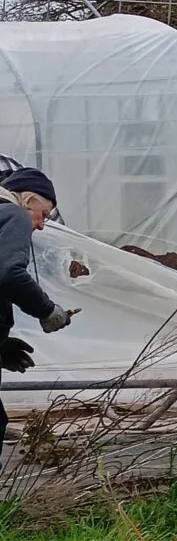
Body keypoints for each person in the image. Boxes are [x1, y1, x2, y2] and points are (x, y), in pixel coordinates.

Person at [0, 167, 74, 465]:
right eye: (42, 214)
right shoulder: (12, 213)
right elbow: (8, 273)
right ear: (27, 199)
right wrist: (47, 310)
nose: (42, 226)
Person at [0, 155, 65, 226]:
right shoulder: (17, 218)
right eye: (43, 215)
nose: (41, 226)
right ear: (27, 201)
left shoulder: (18, 173)